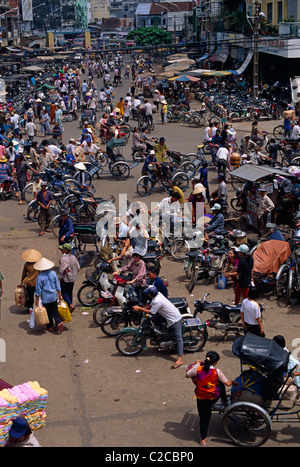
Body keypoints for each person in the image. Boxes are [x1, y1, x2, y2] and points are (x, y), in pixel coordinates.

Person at [186, 351, 238, 446]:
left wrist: (196, 364)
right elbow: (227, 383)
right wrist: (233, 382)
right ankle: (224, 402)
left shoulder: (198, 368)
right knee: (221, 385)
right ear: (215, 362)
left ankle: (203, 439)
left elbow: (187, 375)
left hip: (201, 397)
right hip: (212, 397)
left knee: (204, 418)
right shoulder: (217, 371)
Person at [133, 285, 184, 369]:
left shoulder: (157, 300)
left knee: (178, 338)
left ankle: (180, 359)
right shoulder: (158, 294)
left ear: (150, 295)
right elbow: (150, 305)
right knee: (155, 320)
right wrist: (142, 308)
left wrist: (140, 308)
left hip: (174, 319)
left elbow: (152, 312)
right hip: (167, 316)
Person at [34, 257, 64, 333]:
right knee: (54, 310)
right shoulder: (53, 273)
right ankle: (59, 322)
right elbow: (57, 285)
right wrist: (60, 295)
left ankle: (49, 326)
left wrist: (37, 300)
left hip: (46, 298)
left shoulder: (40, 276)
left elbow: (38, 290)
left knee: (47, 312)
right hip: (53, 296)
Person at [58, 243, 80, 313]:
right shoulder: (74, 257)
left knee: (64, 292)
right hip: (73, 278)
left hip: (65, 279)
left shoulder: (64, 259)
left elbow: (61, 270)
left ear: (65, 250)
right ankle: (69, 305)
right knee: (70, 292)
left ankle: (70, 305)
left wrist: (60, 265)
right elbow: (78, 267)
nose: (61, 250)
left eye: (62, 249)